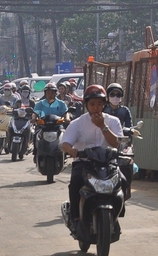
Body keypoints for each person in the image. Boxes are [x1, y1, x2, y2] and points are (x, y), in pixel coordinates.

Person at [60, 85, 123, 230]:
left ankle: (118, 213)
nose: (96, 107)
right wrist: (71, 150)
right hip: (84, 164)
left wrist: (102, 126)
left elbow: (116, 143)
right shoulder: (78, 123)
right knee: (75, 182)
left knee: (123, 181)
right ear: (86, 105)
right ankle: (75, 218)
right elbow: (65, 143)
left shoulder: (113, 121)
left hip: (108, 164)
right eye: (92, 104)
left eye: (100, 104)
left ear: (104, 104)